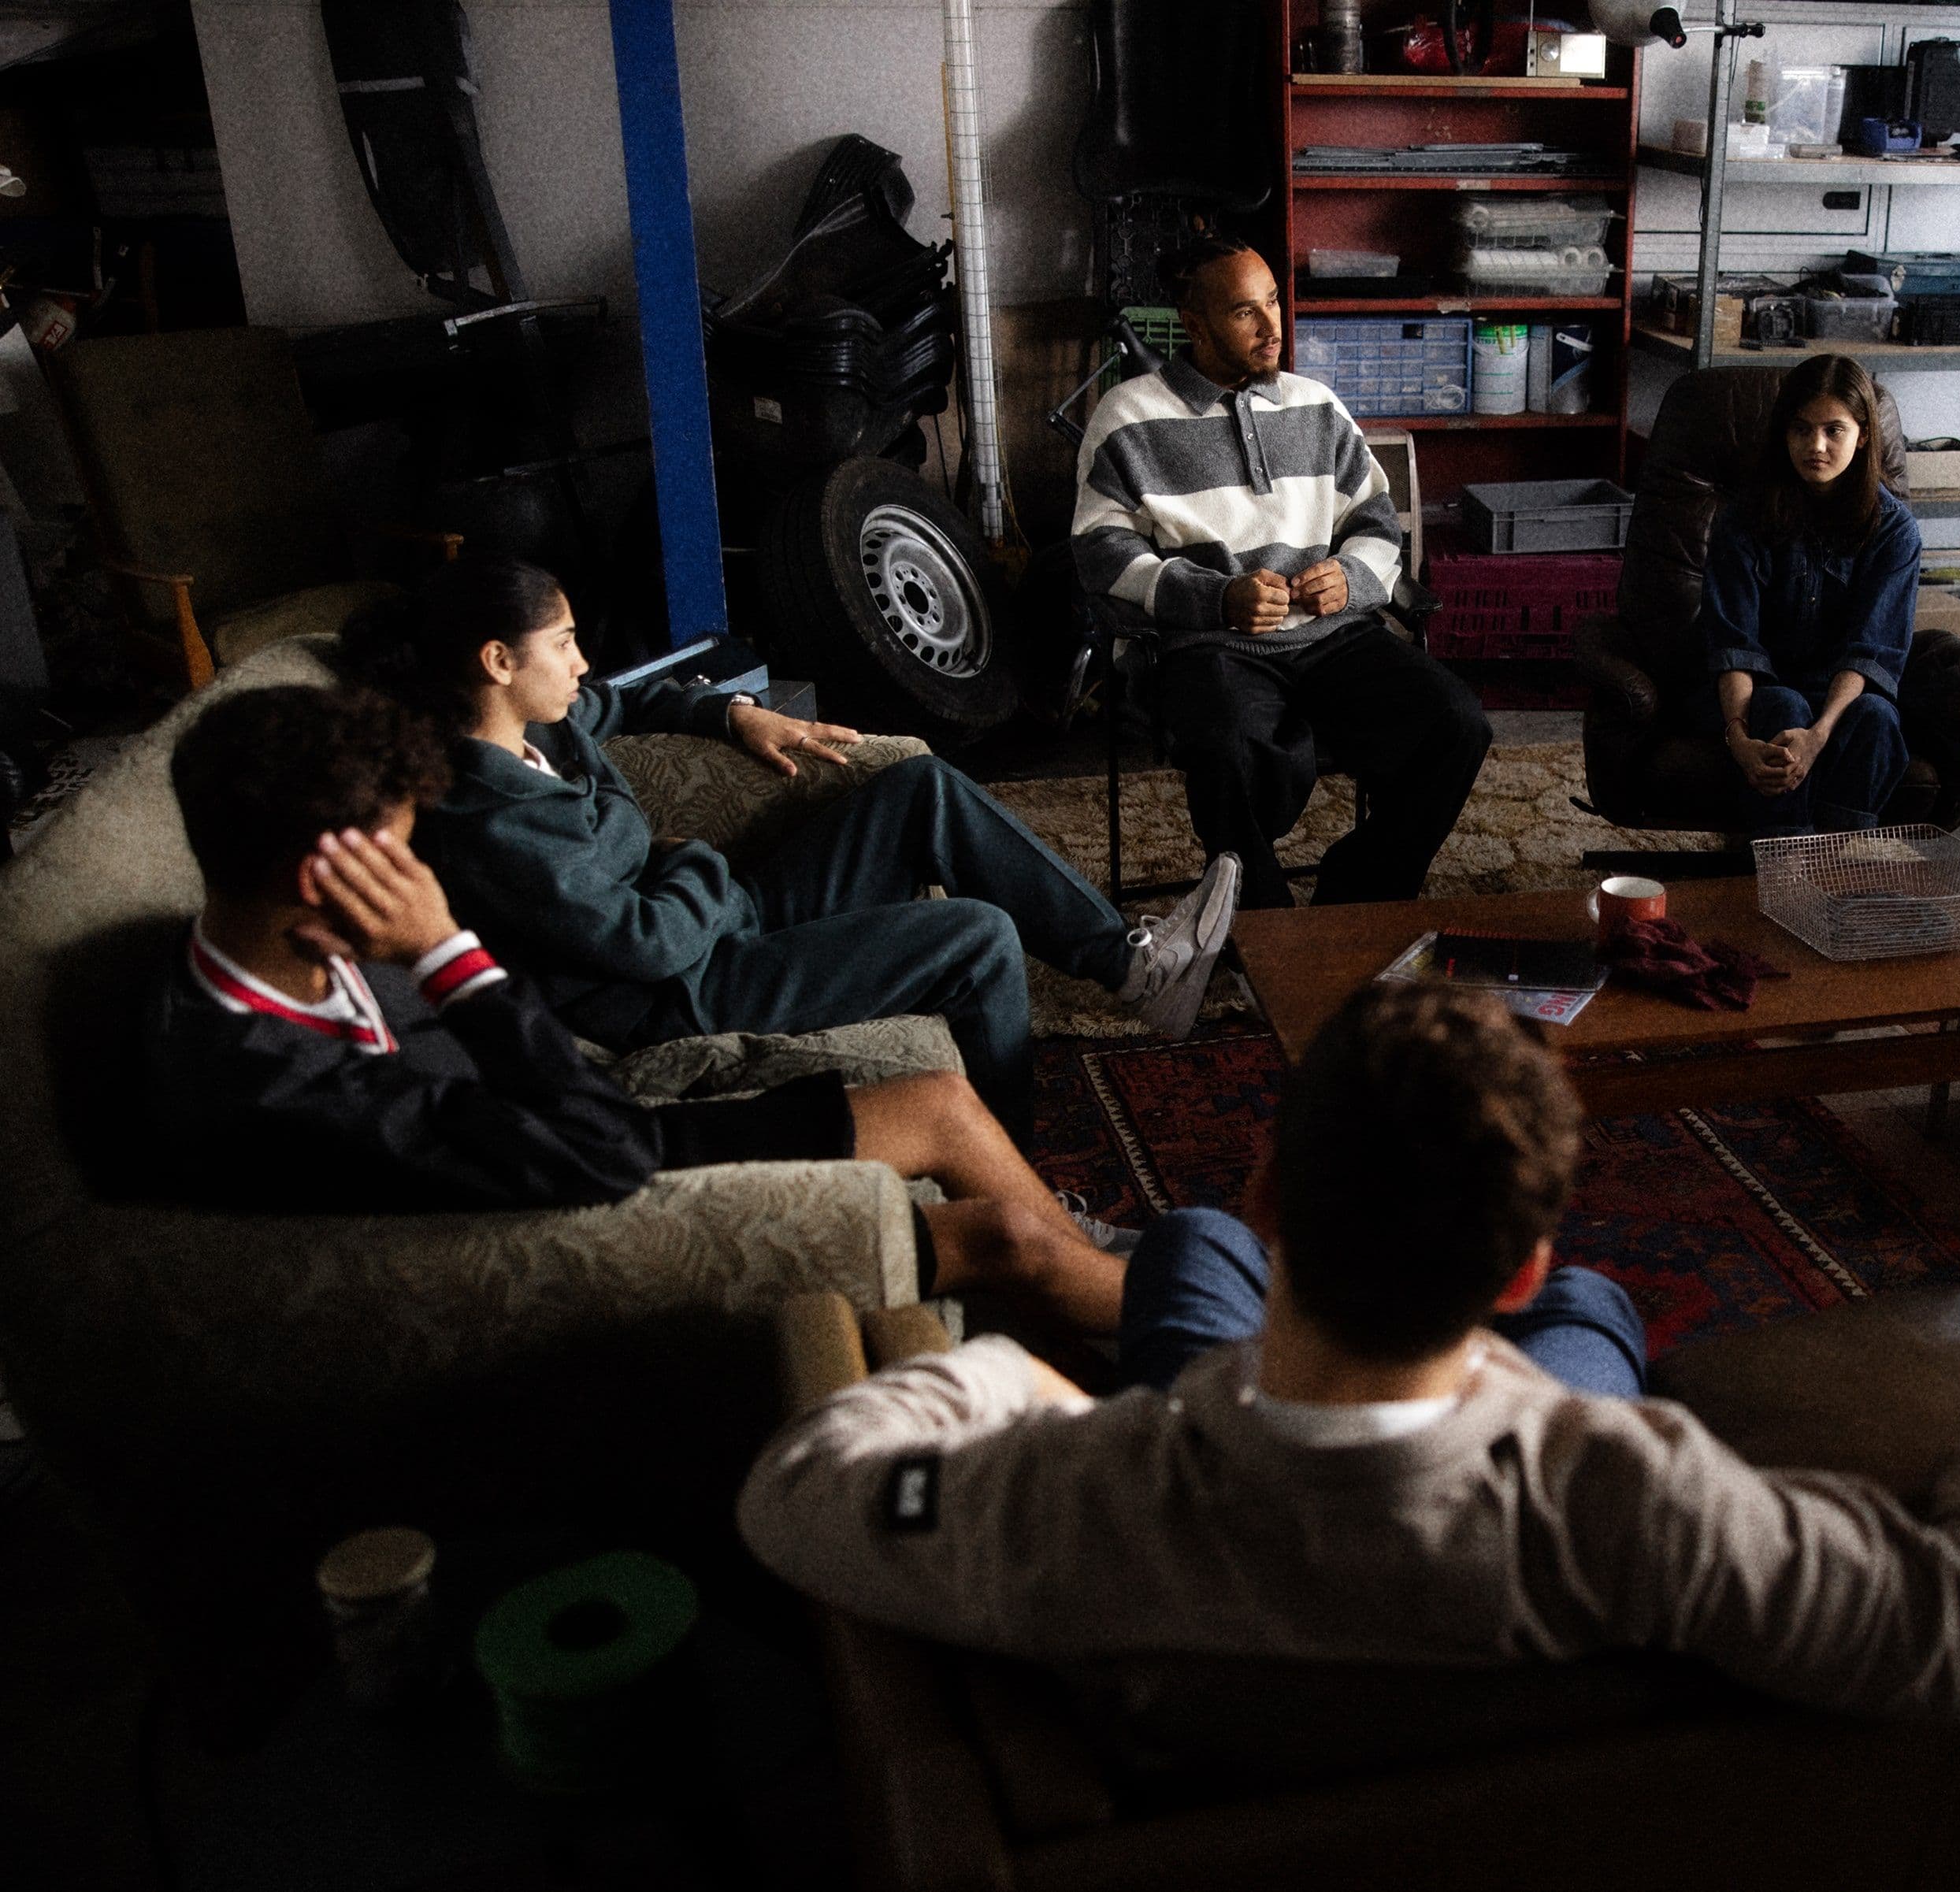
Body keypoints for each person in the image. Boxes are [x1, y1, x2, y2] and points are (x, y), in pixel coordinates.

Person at [738, 983, 1960, 1722]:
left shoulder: (1070, 1505)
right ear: (1503, 1265)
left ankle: (1235, 1263)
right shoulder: (1637, 1496)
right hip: (1496, 1456)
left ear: (1275, 1188)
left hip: (1218, 1446)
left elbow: (798, 1483)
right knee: (1594, 1314)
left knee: (1183, 1253)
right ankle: (1549, 1313)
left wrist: (1009, 1379)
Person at [135, 684, 1132, 1329]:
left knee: (943, 1104)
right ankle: (1214, 1355)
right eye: (397, 853)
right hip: (594, 1191)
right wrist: (447, 953)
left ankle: (1092, 1285)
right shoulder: (275, 1087)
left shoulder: (275, 943)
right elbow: (595, 1156)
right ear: (324, 875)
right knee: (1004, 1236)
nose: (417, 878)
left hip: (577, 1113)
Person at [340, 555, 1239, 1147]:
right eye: (565, 644)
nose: (583, 663)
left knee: (917, 786)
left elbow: (631, 699)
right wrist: (694, 865)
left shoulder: (547, 723)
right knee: (976, 938)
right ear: (499, 661)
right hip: (672, 993)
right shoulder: (487, 815)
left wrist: (733, 711)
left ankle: (1132, 965)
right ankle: (1019, 1173)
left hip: (710, 918)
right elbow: (643, 944)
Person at [1071, 236, 1493, 910]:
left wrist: (1351, 577)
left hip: (1334, 636)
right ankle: (1264, 930)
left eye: (1273, 302)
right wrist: (1214, 598)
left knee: (1458, 724)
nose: (1274, 327)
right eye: (1246, 312)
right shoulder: (1128, 417)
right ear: (1195, 324)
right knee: (1226, 751)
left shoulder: (1315, 404)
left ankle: (1356, 894)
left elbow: (1378, 524)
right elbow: (1099, 549)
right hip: (1214, 645)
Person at [1693, 353, 1923, 835]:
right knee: (1782, 708)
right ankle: (1779, 866)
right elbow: (1734, 643)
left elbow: (1870, 652)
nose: (1814, 446)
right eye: (1801, 429)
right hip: (1760, 689)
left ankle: (1836, 863)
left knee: (1878, 719)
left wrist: (1819, 735)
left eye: (1833, 431)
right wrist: (1737, 738)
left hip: (1841, 693)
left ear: (1862, 436)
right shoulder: (1744, 516)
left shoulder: (1895, 530)